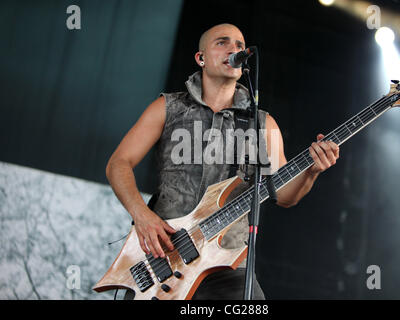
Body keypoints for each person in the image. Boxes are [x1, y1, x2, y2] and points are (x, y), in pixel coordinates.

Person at [105, 23, 340, 300]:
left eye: (240, 45)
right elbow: (118, 163)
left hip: (227, 267)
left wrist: (311, 171)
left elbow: (285, 196)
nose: (235, 49)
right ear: (200, 58)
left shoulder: (263, 125)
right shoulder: (168, 107)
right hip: (166, 259)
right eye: (223, 42)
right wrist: (141, 215)